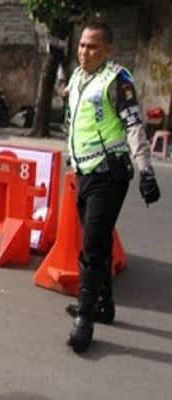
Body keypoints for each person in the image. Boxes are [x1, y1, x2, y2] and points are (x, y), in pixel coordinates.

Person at [65, 21, 160, 352]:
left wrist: (146, 171)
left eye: (92, 46)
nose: (83, 51)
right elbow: (76, 111)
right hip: (84, 172)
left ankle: (85, 319)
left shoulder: (117, 80)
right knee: (97, 241)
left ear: (107, 51)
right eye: (81, 45)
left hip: (110, 173)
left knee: (91, 247)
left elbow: (134, 124)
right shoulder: (79, 76)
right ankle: (103, 304)